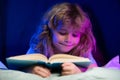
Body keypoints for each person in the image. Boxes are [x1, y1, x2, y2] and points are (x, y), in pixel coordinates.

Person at [26, 2, 97, 78]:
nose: (68, 40)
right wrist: (30, 69)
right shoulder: (39, 45)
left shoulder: (83, 48)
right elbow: (23, 65)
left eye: (75, 35)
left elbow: (94, 68)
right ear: (50, 31)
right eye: (62, 33)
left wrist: (79, 72)